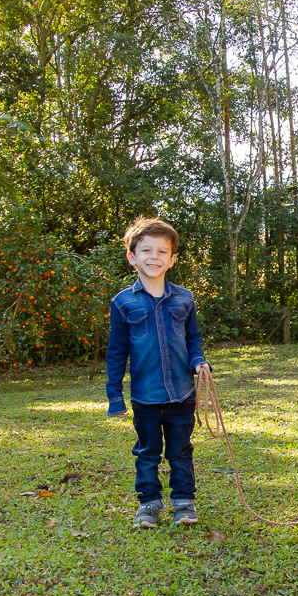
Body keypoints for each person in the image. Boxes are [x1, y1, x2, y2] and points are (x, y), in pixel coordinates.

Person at [106, 217, 211, 529]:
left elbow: (193, 339)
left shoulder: (184, 298)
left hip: (182, 393)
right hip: (145, 396)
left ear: (172, 259)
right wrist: (115, 397)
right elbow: (116, 353)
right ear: (132, 257)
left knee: (180, 451)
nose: (154, 257)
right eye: (146, 250)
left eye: (162, 251)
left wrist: (199, 361)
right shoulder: (122, 303)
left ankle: (184, 503)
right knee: (147, 452)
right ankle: (148, 504)